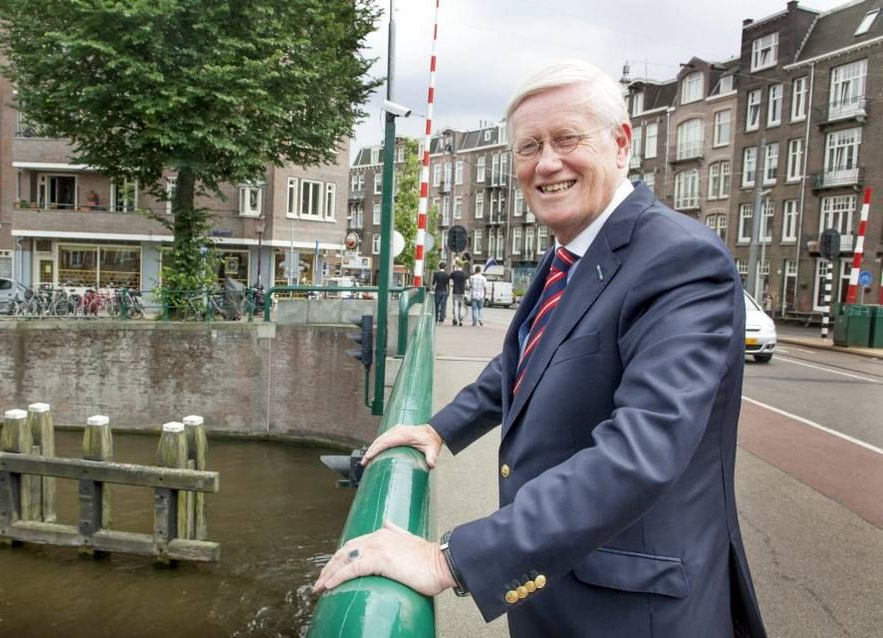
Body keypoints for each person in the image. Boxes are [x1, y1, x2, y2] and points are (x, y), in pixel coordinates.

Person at [315, 59, 766, 638]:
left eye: (567, 139)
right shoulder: (573, 252)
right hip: (560, 593)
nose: (546, 164)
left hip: (633, 613)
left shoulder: (679, 259)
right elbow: (531, 357)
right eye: (528, 147)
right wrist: (442, 430)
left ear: (621, 142)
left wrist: (449, 558)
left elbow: (643, 448)